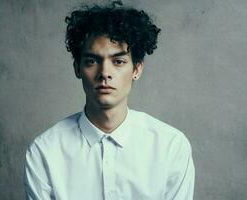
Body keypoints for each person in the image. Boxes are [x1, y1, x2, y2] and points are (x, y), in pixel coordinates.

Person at [24, 1, 195, 200]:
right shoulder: (45, 151)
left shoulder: (171, 146)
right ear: (77, 68)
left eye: (119, 61)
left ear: (137, 69)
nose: (105, 73)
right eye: (92, 61)